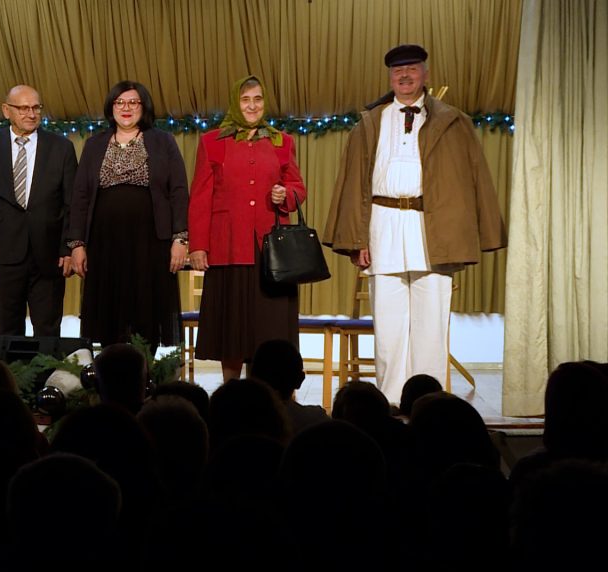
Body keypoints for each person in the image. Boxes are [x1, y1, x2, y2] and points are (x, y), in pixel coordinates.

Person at [322, 44, 506, 403]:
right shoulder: (371, 122)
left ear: (425, 74)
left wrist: (475, 233)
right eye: (398, 71)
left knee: (431, 325)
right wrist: (357, 238)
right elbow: (353, 183)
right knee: (388, 326)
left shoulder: (453, 121)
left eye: (412, 69)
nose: (405, 76)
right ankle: (390, 401)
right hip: (384, 226)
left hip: (433, 228)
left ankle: (428, 401)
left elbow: (474, 178)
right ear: (390, 77)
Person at [188, 75, 307, 382]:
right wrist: (198, 245)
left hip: (271, 253)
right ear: (235, 103)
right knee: (232, 330)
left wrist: (285, 194)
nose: (252, 106)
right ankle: (231, 395)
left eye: (257, 99)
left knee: (269, 328)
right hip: (228, 248)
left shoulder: (282, 142)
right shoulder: (213, 142)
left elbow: (297, 187)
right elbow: (200, 196)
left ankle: (269, 393)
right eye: (245, 100)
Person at [67, 80, 189, 349]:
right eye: (119, 102)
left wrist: (180, 239)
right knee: (109, 314)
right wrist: (77, 244)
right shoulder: (94, 144)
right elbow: (80, 196)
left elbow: (179, 191)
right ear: (111, 107)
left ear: (143, 107)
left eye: (133, 102)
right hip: (104, 244)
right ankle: (112, 368)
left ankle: (144, 369)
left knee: (146, 310)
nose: (126, 108)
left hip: (150, 243)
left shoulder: (163, 141)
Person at [0, 85, 78, 337]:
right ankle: (9, 366)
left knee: (48, 330)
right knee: (7, 330)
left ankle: (47, 366)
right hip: (4, 254)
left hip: (49, 255)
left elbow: (72, 203)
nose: (31, 114)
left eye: (36, 108)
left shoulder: (61, 147)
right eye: (24, 108)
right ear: (6, 110)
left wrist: (68, 247)